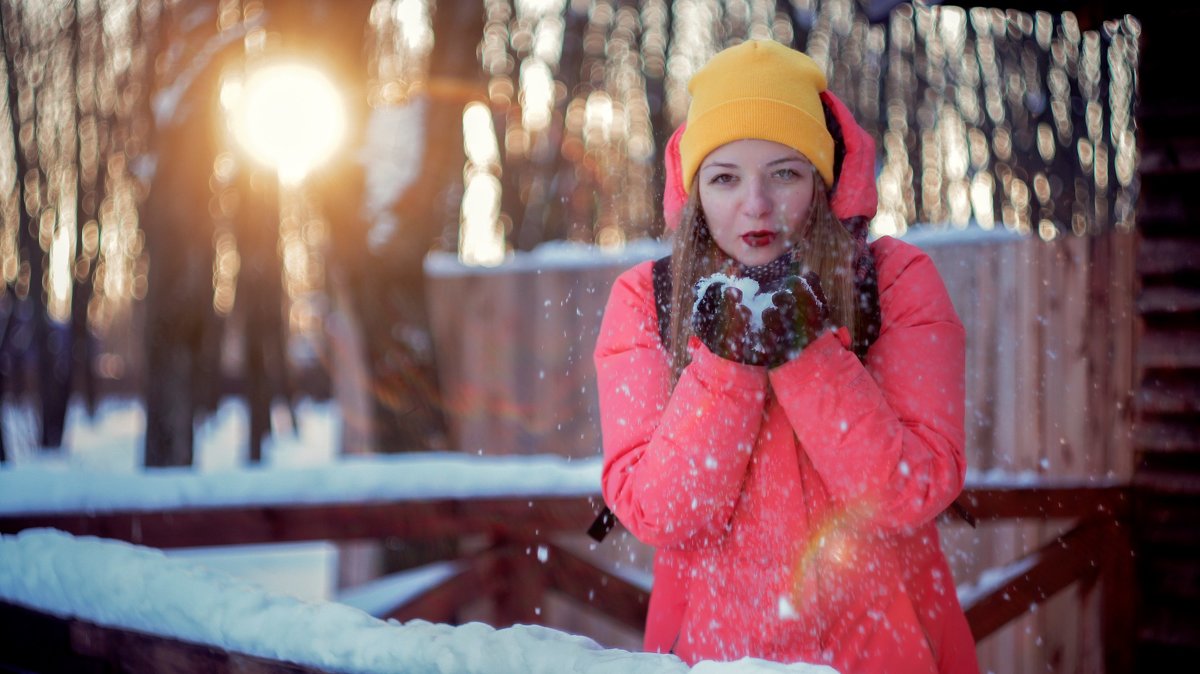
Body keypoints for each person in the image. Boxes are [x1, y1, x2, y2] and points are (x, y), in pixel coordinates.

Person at [593, 40, 979, 673]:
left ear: (822, 180)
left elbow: (909, 492)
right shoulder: (646, 299)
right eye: (724, 178)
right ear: (695, 193)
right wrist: (728, 360)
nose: (756, 204)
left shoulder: (897, 281)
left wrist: (803, 349)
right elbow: (659, 512)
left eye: (785, 172)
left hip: (888, 655)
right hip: (711, 658)